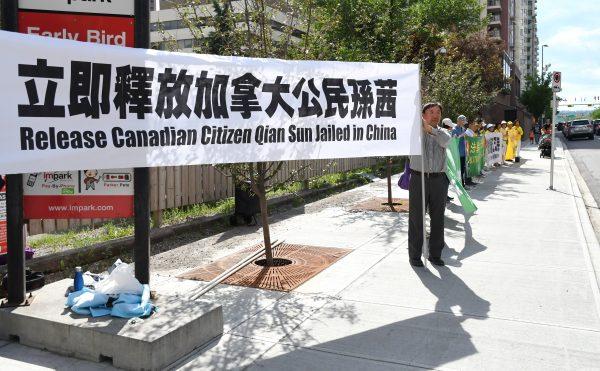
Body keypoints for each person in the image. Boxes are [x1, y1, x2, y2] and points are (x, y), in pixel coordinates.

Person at [408, 102, 451, 267]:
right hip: (419, 179)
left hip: (438, 180)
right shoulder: (414, 133)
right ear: (423, 115)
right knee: (416, 219)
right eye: (431, 112)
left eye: (438, 112)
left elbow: (446, 142)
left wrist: (431, 130)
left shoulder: (443, 132)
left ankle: (435, 254)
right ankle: (415, 256)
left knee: (438, 218)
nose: (435, 115)